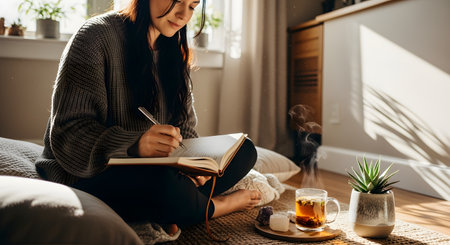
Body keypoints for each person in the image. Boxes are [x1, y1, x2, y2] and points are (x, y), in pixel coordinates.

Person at [35, 0, 261, 236]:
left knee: (244, 150)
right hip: (88, 172)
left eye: (193, 6)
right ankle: (214, 207)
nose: (184, 15)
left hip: (158, 170)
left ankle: (181, 205)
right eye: (177, 1)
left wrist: (194, 164)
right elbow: (68, 133)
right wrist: (135, 145)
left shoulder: (174, 48)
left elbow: (187, 129)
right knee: (163, 185)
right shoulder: (94, 36)